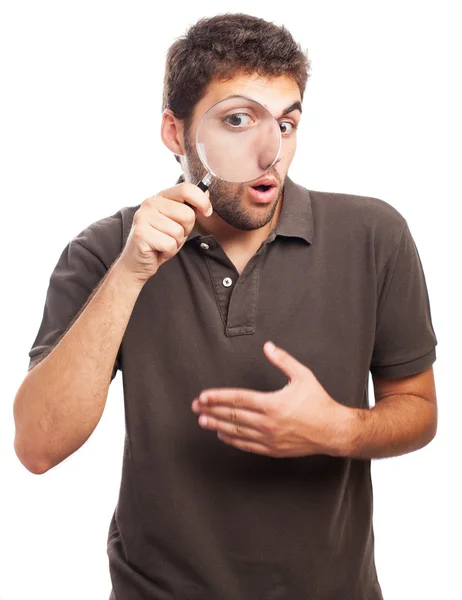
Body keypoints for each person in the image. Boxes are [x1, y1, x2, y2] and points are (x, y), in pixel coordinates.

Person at [13, 13, 438, 600]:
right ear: (175, 132)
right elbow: (38, 445)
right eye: (238, 120)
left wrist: (338, 428)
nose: (271, 153)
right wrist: (132, 270)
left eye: (286, 123)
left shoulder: (374, 235)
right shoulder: (103, 252)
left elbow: (417, 409)